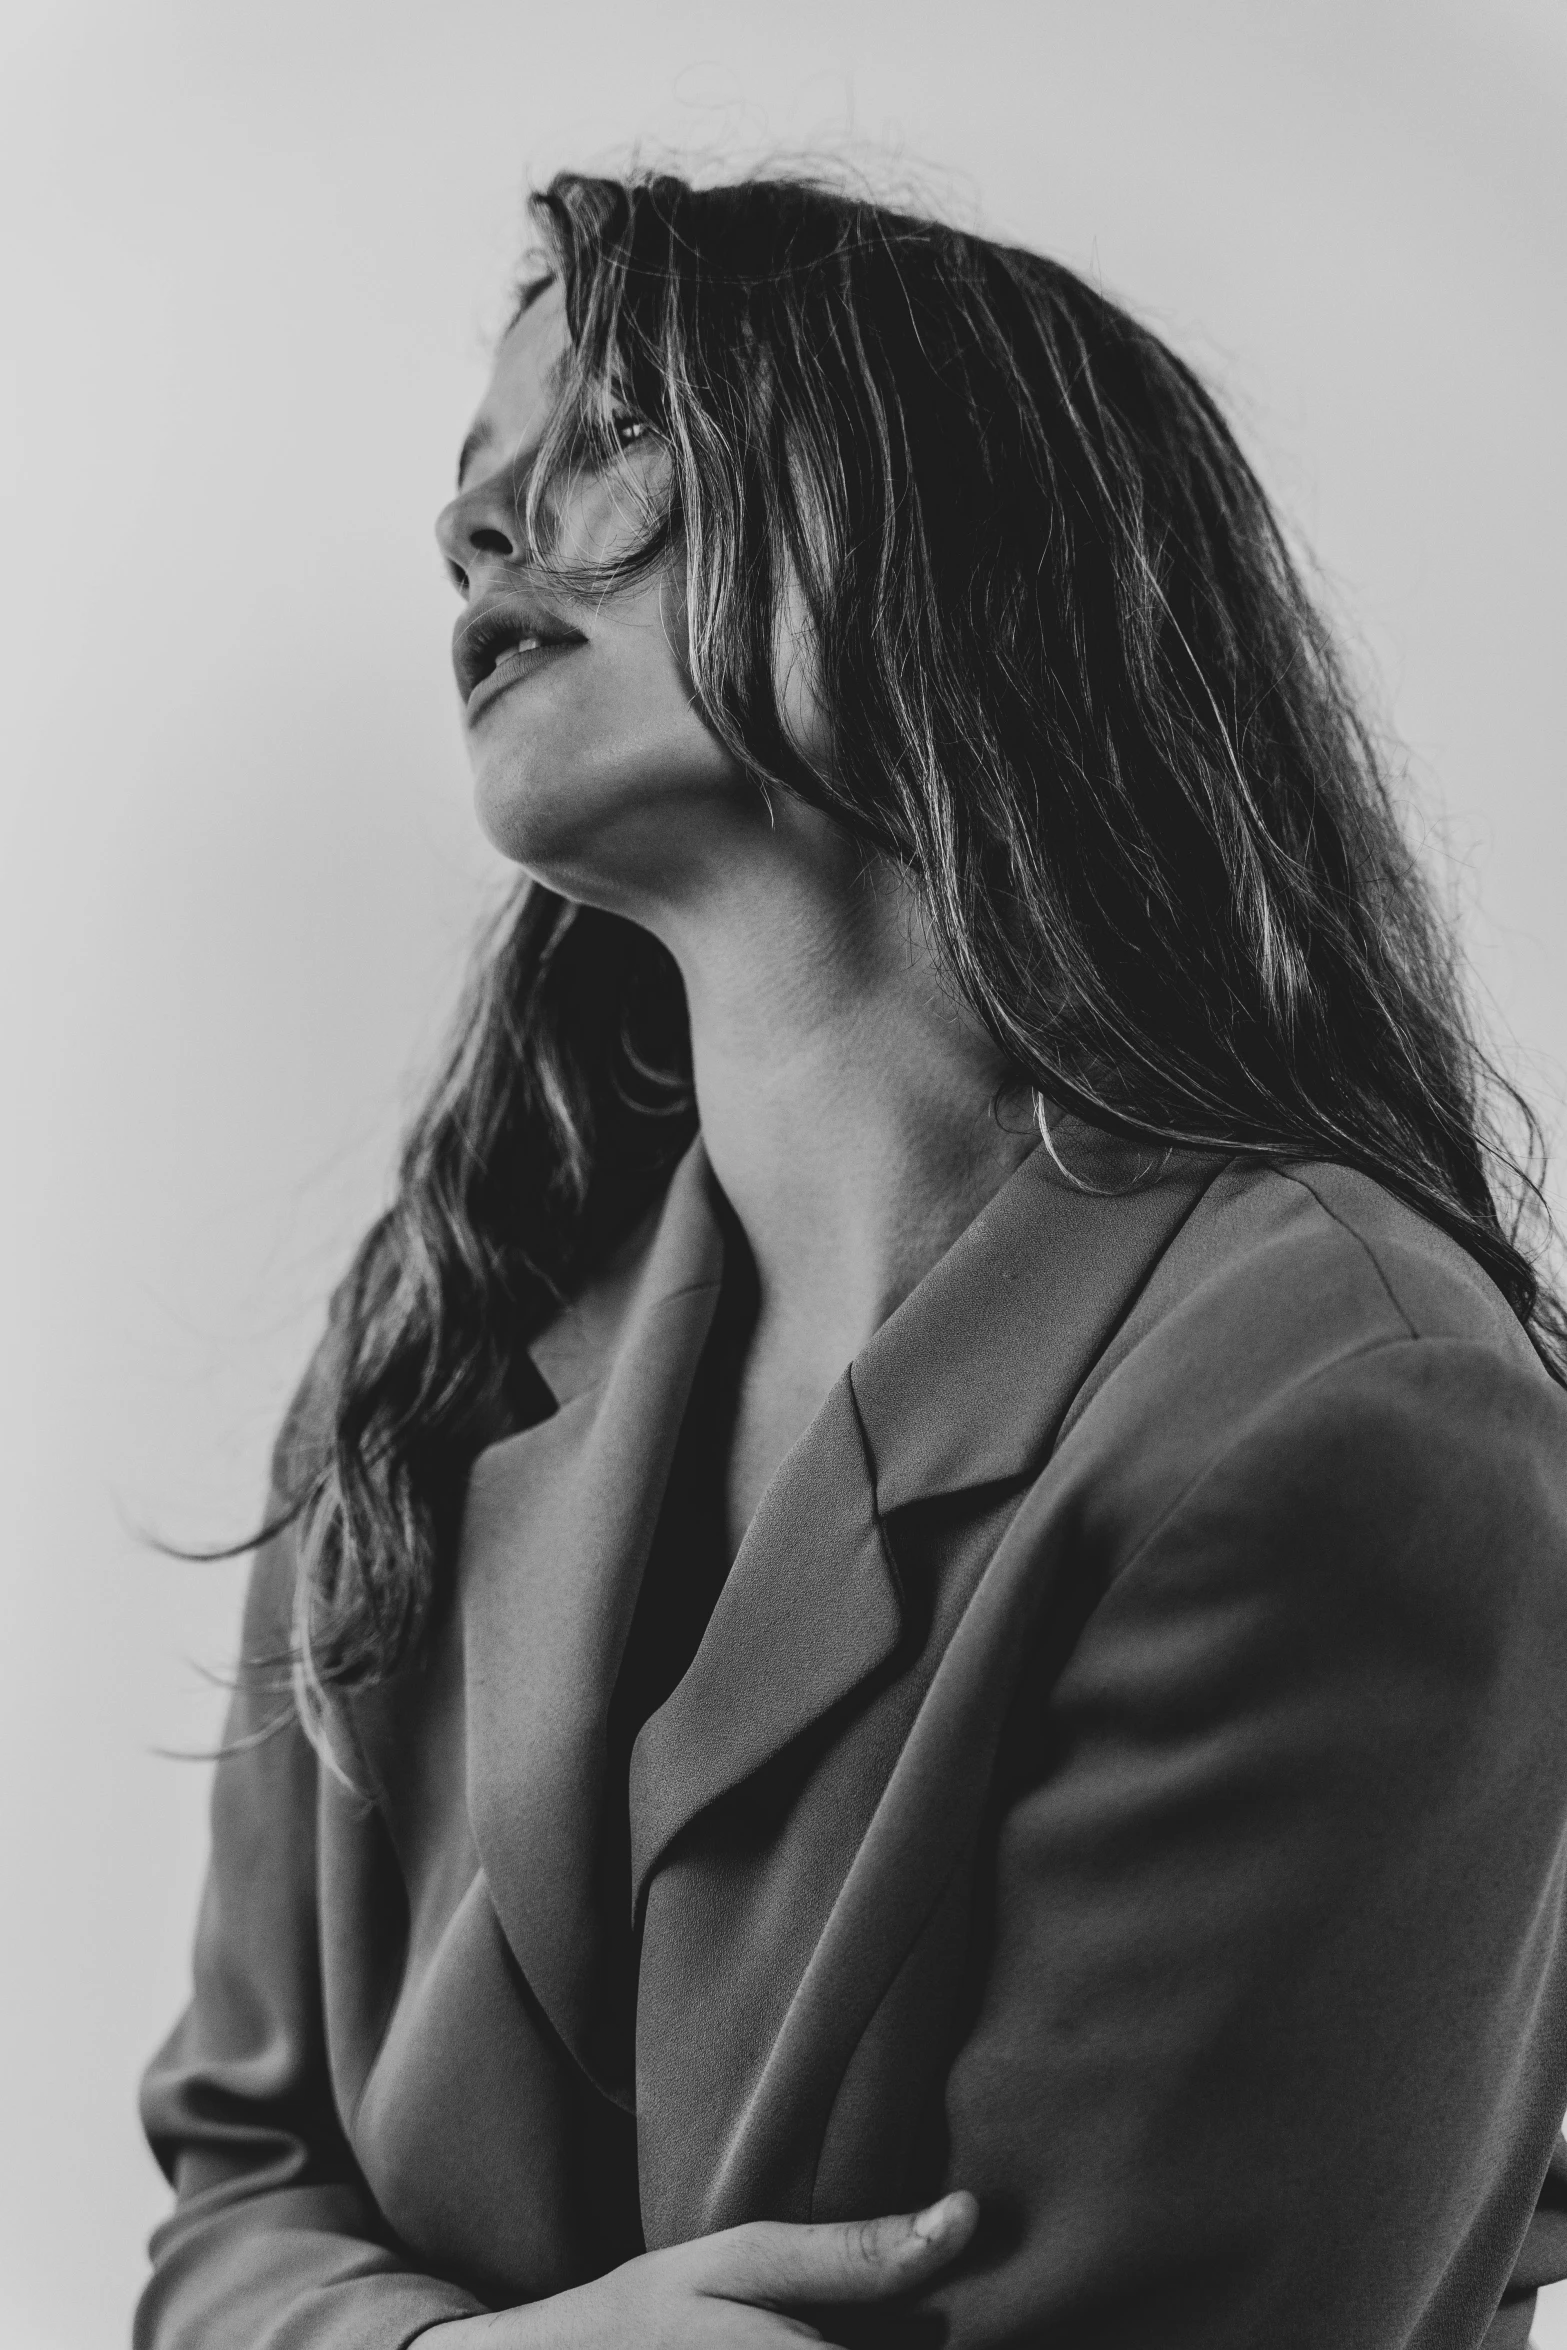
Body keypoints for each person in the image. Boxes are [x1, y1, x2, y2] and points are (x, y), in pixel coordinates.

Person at [135, 167, 1567, 2350]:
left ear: (959, 537)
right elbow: (237, 2192)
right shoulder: (425, 1348)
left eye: (618, 429)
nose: (486, 524)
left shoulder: (1348, 1404)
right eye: (476, 483)